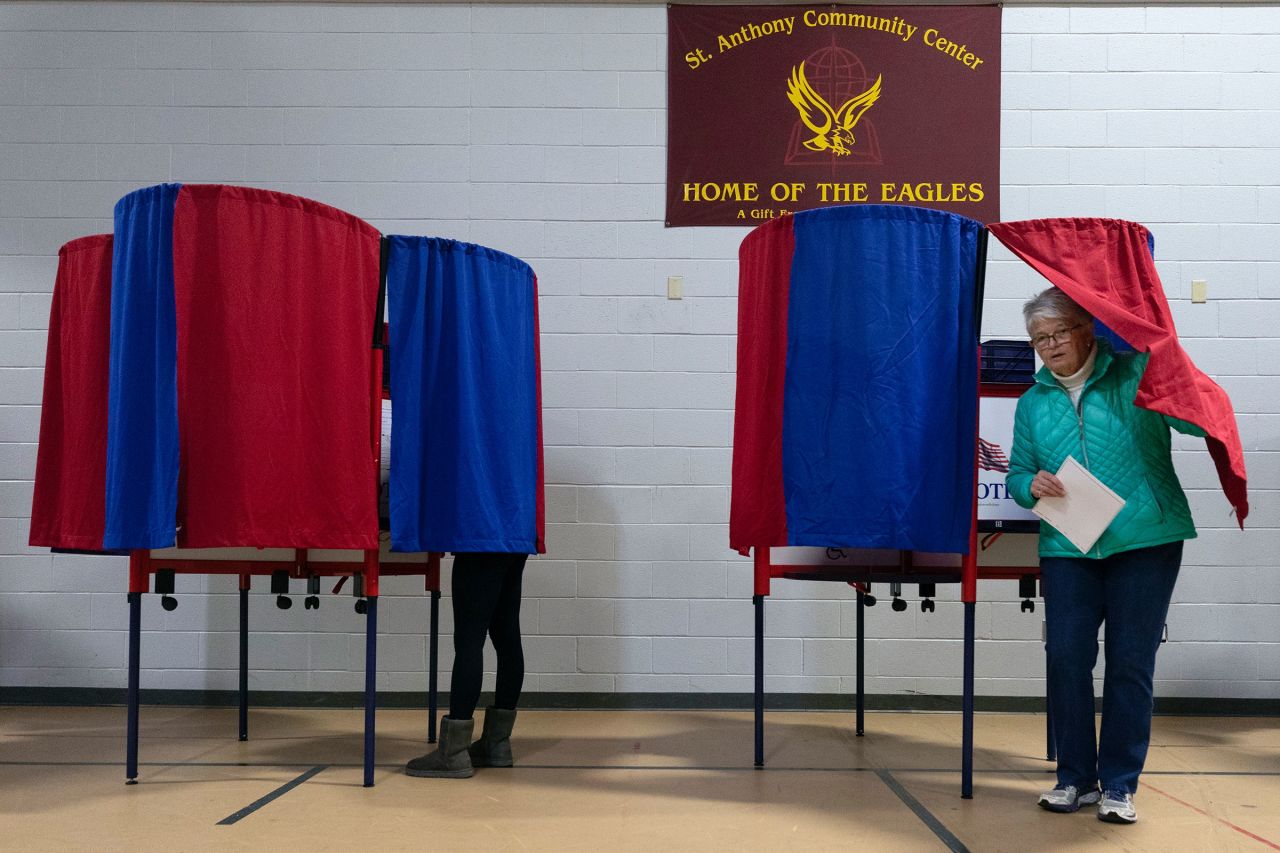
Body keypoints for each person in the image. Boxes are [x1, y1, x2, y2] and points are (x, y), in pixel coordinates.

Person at [1006, 288, 1204, 824]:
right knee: (1066, 657)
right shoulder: (1033, 401)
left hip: (1145, 539)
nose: (1048, 346)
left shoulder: (1136, 374)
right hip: (1070, 542)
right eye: (1038, 339)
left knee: (1130, 662)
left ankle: (1118, 783)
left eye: (1058, 334)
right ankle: (1074, 778)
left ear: (1085, 330)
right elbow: (1018, 473)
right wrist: (1031, 485)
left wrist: (1169, 362)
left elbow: (1194, 419)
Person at [405, 551, 529, 779]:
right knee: (507, 635)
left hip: (480, 535)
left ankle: (453, 753)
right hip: (517, 533)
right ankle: (497, 744)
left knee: (469, 639)